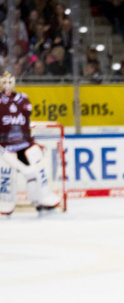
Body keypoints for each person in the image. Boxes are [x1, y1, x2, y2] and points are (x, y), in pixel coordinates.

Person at [0, 72, 61, 215]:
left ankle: (41, 198)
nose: (7, 85)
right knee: (5, 172)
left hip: (23, 145)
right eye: (4, 82)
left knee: (34, 165)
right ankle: (5, 201)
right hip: (5, 147)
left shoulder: (23, 99)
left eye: (10, 82)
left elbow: (25, 125)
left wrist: (32, 142)